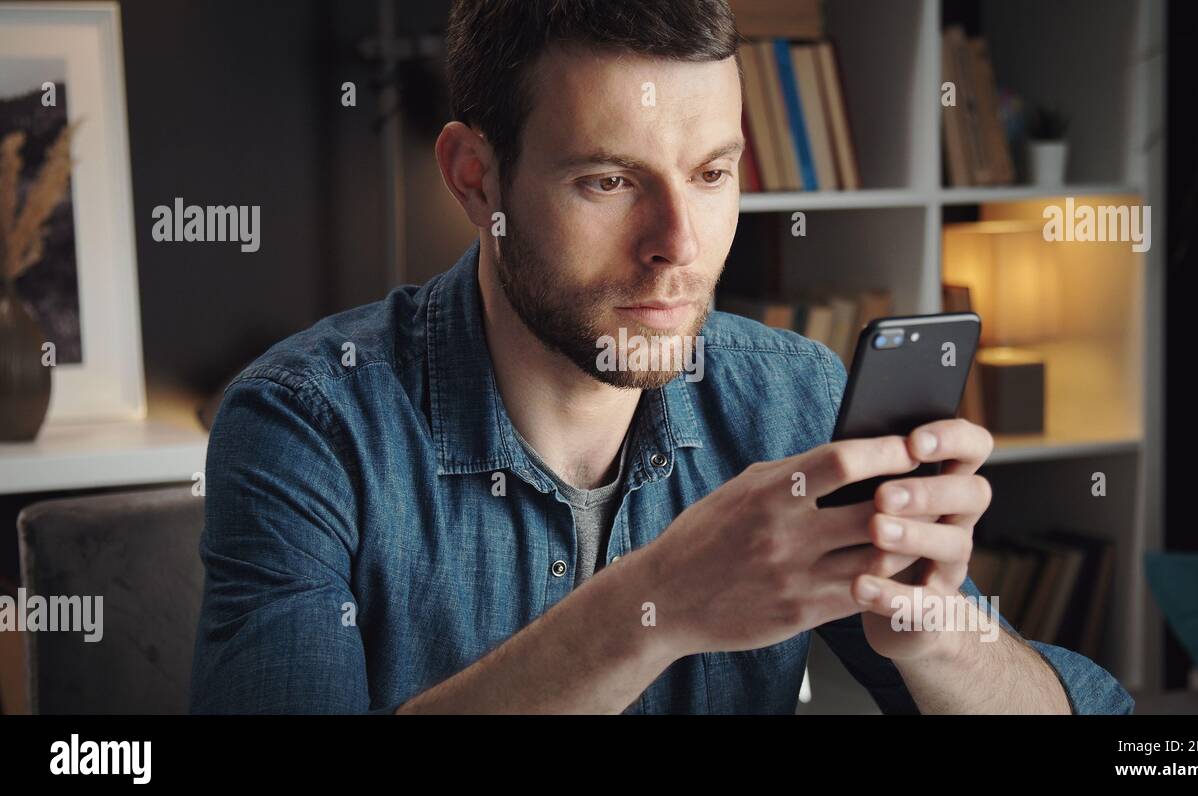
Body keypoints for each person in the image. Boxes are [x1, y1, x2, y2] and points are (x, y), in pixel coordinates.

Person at [190, 0, 1133, 715]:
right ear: (476, 181)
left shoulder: (793, 398)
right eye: (608, 180)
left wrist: (934, 633)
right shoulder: (304, 425)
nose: (679, 243)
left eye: (713, 174)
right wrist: (658, 602)